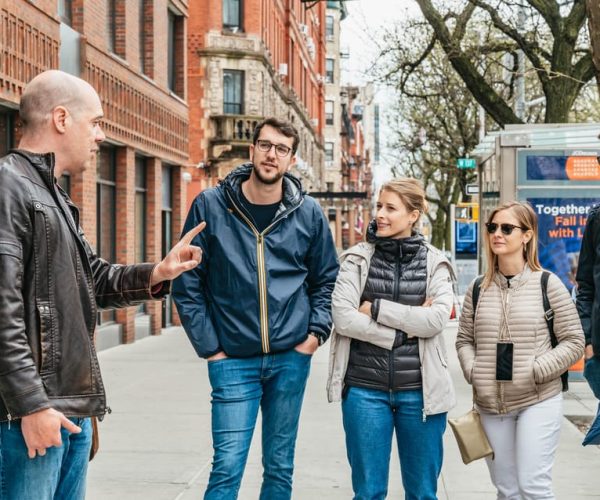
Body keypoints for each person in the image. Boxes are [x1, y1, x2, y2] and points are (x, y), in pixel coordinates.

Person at [0, 70, 205, 500]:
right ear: (60, 119)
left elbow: (94, 279)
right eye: (94, 122)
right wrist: (31, 405)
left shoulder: (53, 195)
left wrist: (157, 274)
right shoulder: (9, 187)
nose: (100, 135)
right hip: (30, 417)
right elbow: (4, 312)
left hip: (69, 412)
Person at [172, 117, 339, 499]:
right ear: (252, 150)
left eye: (282, 149)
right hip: (232, 360)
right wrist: (211, 348)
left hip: (290, 358)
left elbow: (326, 279)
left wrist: (313, 336)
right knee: (227, 467)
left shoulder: (308, 213)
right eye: (265, 145)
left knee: (280, 467)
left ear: (291, 160)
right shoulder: (211, 206)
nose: (272, 154)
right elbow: (186, 282)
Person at [327, 178, 456, 500]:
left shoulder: (434, 262)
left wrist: (378, 309)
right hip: (364, 392)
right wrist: (401, 333)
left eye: (390, 208)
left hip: (421, 394)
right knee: (368, 492)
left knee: (423, 494)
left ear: (413, 215)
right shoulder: (356, 259)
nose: (380, 215)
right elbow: (343, 317)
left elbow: (438, 318)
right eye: (379, 206)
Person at [456, 201, 584, 500]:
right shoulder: (477, 288)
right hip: (491, 405)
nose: (497, 234)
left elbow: (574, 340)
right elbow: (464, 340)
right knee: (507, 489)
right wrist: (473, 371)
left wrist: (538, 369)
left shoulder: (547, 284)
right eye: (492, 227)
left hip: (536, 399)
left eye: (507, 228)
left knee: (533, 486)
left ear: (527, 236)